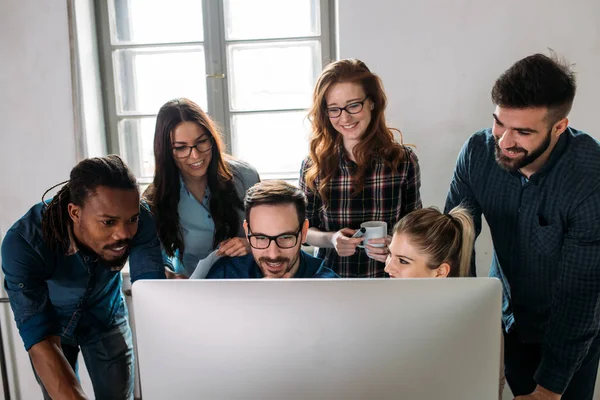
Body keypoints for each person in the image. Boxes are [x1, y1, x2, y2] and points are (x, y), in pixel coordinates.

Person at [445, 53, 600, 400]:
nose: (503, 141)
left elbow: (580, 296)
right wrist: (460, 327)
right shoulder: (476, 153)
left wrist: (548, 390)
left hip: (571, 335)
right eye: (500, 123)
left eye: (523, 132)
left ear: (559, 127)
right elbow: (456, 243)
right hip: (506, 321)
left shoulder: (591, 178)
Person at [1, 155, 166, 400]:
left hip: (107, 317)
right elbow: (39, 335)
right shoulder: (24, 243)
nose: (123, 233)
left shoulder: (141, 220)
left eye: (131, 219)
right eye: (108, 222)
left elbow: (149, 289)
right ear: (75, 212)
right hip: (51, 325)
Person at [299, 58, 422, 278]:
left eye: (354, 105)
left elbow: (415, 229)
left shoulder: (403, 161)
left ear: (372, 102)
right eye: (334, 109)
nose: (345, 117)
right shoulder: (314, 165)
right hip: (331, 282)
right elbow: (304, 231)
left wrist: (394, 243)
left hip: (388, 281)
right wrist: (332, 239)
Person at [385, 206, 506, 399]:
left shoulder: (474, 323)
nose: (388, 267)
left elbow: (489, 390)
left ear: (440, 272)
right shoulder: (383, 311)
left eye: (403, 261)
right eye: (390, 253)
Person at [143, 98, 260, 278]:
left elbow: (273, 237)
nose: (195, 155)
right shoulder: (155, 198)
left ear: (212, 139)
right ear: (166, 151)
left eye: (201, 142)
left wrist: (250, 244)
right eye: (181, 148)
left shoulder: (246, 177)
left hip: (247, 286)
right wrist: (169, 275)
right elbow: (154, 257)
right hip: (193, 294)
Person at [206, 180, 338, 279]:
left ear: (304, 232)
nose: (273, 254)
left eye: (286, 238)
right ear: (247, 232)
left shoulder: (331, 289)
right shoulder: (224, 276)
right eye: (261, 238)